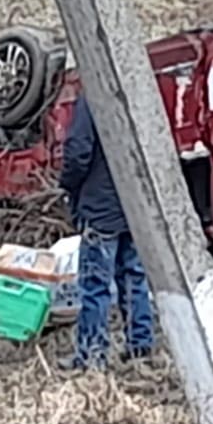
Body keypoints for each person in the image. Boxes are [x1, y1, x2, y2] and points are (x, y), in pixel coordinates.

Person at [58, 93, 154, 371]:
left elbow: (78, 151)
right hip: (134, 206)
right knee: (134, 278)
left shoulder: (92, 100)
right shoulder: (136, 96)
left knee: (95, 285)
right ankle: (140, 347)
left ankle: (91, 354)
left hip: (100, 207)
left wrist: (68, 185)